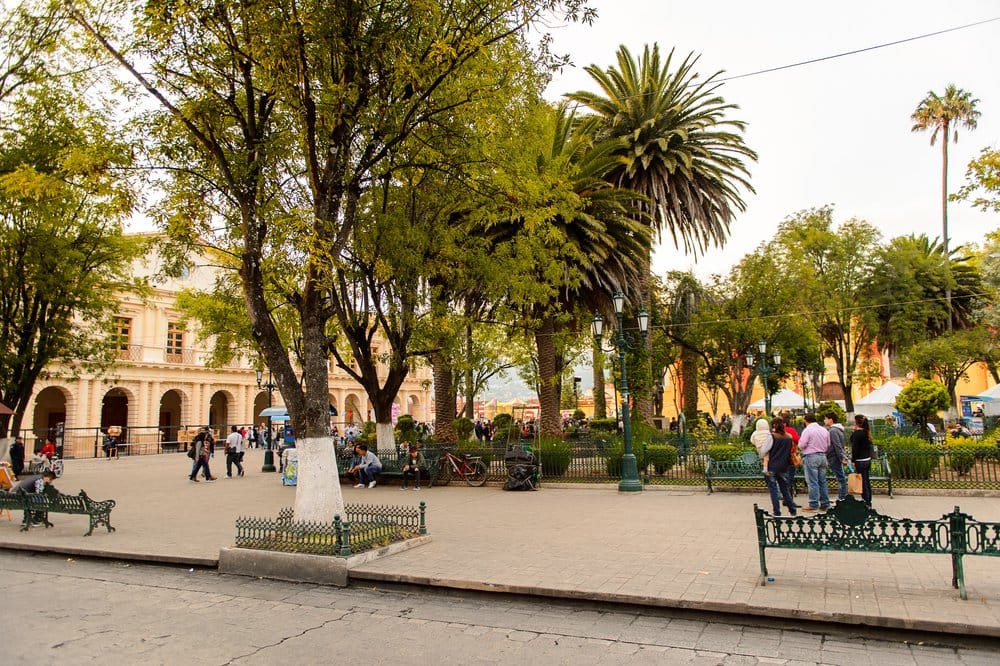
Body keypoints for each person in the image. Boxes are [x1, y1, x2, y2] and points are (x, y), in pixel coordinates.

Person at [798, 413, 831, 512]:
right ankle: (825, 503)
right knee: (822, 481)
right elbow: (828, 444)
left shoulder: (807, 430)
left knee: (812, 482)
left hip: (811, 456)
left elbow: (802, 445)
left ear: (805, 420)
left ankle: (813, 503)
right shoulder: (824, 430)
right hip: (822, 456)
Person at [765, 418, 797, 516]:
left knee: (774, 489)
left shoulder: (772, 437)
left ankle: (777, 512)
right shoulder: (789, 437)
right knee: (784, 489)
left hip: (772, 466)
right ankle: (792, 509)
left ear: (774, 425)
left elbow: (764, 450)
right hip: (784, 466)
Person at [850, 414, 874, 507]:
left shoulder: (857, 434)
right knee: (866, 480)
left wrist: (853, 461)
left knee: (862, 481)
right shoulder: (866, 432)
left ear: (856, 422)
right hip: (867, 459)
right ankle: (868, 500)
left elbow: (855, 448)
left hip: (860, 460)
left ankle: (866, 501)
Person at [824, 412, 849, 502]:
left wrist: (841, 457)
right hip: (836, 456)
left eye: (825, 418)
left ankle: (842, 498)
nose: (824, 420)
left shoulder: (833, 430)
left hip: (834, 457)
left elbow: (836, 445)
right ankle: (843, 497)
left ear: (830, 419)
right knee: (841, 477)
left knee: (840, 478)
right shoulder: (838, 429)